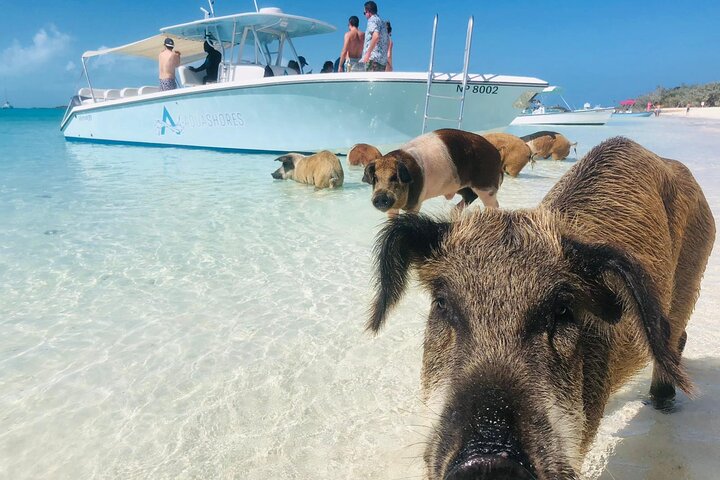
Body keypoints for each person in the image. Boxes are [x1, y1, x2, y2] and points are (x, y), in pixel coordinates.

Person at [360, 1, 389, 72]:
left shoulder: (372, 20)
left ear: (368, 12)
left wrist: (367, 54)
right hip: (382, 62)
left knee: (368, 82)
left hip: (372, 59)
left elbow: (376, 36)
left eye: (364, 13)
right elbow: (387, 41)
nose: (365, 15)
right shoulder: (382, 23)